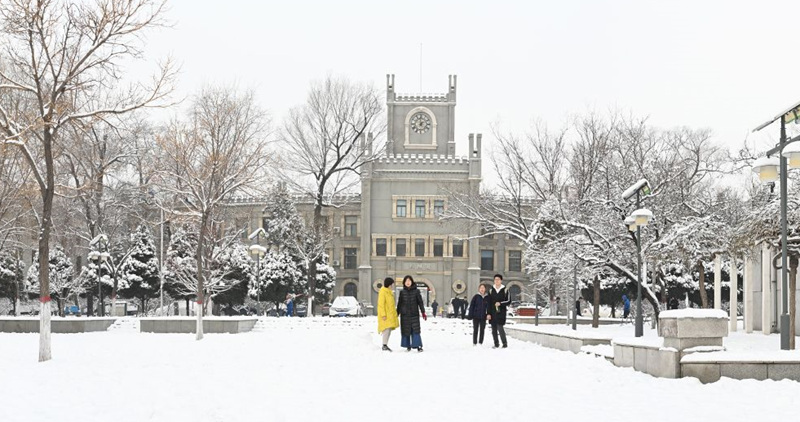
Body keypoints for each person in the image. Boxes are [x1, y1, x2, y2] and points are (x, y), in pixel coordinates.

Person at [396, 275, 426, 352]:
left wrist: (423, 312)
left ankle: (418, 346)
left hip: (414, 314)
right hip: (404, 315)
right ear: (404, 282)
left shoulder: (416, 291)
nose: (408, 282)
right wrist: (397, 313)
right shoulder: (402, 292)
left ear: (412, 282)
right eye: (406, 281)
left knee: (415, 330)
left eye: (409, 281)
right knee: (406, 330)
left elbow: (420, 302)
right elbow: (400, 303)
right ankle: (407, 345)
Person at [487, 274, 510, 349]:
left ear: (501, 280)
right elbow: (489, 303)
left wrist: (500, 303)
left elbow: (509, 301)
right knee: (493, 329)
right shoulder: (491, 290)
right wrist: (488, 313)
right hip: (493, 312)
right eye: (495, 279)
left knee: (500, 327)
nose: (496, 281)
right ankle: (496, 343)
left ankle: (504, 343)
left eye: (498, 279)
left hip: (501, 312)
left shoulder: (505, 290)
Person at [377, 277, 399, 351]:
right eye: (392, 284)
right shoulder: (383, 292)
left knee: (388, 329)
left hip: (390, 315)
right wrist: (383, 315)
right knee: (386, 330)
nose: (392, 285)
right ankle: (384, 345)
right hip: (385, 315)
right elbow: (381, 304)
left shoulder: (389, 292)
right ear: (389, 284)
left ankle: (385, 344)